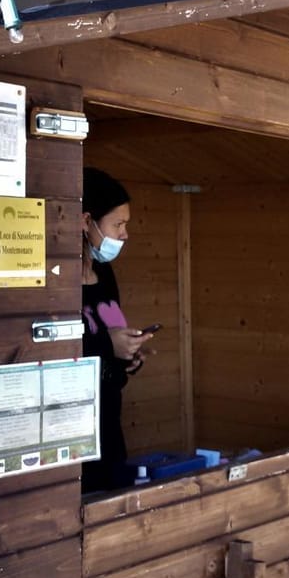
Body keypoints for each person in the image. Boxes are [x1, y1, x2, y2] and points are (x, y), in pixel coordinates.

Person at [81, 167, 157, 494]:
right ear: (86, 222)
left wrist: (129, 353)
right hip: (70, 429)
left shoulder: (105, 273)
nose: (125, 234)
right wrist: (105, 343)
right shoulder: (53, 280)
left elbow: (112, 338)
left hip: (109, 424)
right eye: (118, 224)